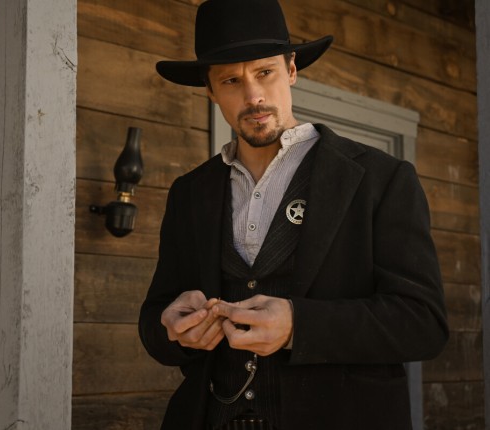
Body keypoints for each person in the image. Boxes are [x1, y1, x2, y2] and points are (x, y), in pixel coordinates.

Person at [138, 0, 449, 429]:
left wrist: (299, 326)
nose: (253, 96)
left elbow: (423, 323)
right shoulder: (189, 192)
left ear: (291, 70)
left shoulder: (383, 178)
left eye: (265, 72)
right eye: (231, 80)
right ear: (210, 91)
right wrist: (174, 331)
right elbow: (155, 322)